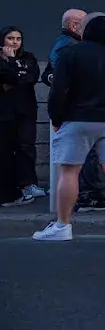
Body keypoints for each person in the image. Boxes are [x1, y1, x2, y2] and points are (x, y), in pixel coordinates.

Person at [33, 13, 105, 242]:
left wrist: (56, 118)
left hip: (77, 119)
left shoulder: (71, 53)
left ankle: (63, 226)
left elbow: (58, 90)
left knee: (69, 171)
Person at [43, 8, 105, 213]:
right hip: (79, 110)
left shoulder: (69, 45)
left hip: (78, 109)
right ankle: (92, 195)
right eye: (86, 23)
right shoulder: (68, 47)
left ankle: (89, 194)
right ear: (74, 26)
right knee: (86, 154)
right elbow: (58, 77)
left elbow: (50, 76)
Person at [0, 26, 41, 206]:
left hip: (26, 110)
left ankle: (28, 183)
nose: (14, 42)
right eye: (10, 38)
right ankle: (11, 188)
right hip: (5, 111)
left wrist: (13, 70)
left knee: (26, 146)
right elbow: (9, 77)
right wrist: (13, 70)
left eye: (18, 38)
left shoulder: (28, 58)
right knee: (6, 150)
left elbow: (30, 77)